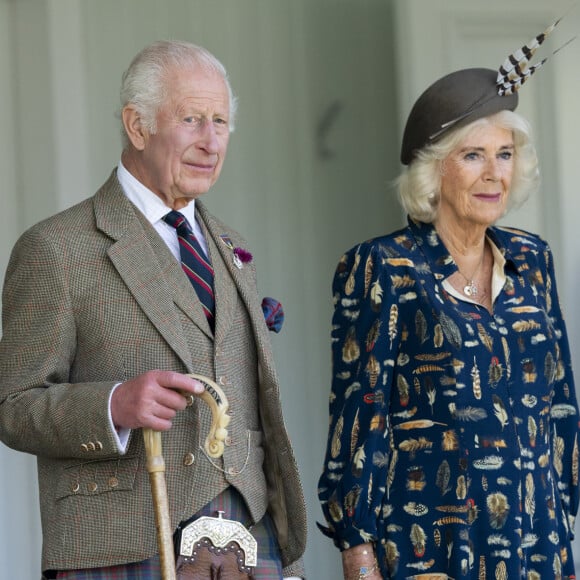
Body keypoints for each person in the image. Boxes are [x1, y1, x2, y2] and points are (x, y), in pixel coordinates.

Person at [0, 40, 306, 579]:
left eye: (221, 122)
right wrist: (114, 405)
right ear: (137, 126)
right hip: (120, 544)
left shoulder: (232, 246)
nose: (212, 142)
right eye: (192, 120)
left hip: (249, 539)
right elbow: (13, 404)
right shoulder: (57, 247)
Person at [317, 23, 580, 580]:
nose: (494, 174)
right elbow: (358, 419)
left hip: (536, 542)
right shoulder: (382, 267)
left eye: (504, 155)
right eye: (473, 156)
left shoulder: (533, 260)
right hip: (431, 548)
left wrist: (565, 511)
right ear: (433, 169)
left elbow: (559, 400)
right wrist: (358, 552)